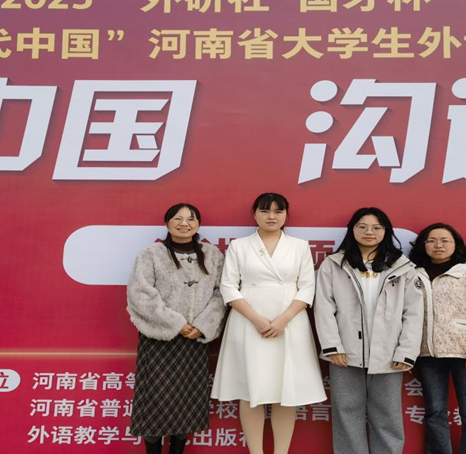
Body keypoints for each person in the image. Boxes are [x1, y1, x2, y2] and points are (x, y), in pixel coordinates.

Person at [211, 192, 326, 454]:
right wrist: (256, 319)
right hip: (247, 322)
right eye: (265, 211)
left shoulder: (299, 246)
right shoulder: (239, 246)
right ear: (255, 215)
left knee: (286, 391)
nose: (271, 216)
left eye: (278, 211)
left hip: (290, 323)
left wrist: (283, 319)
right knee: (250, 390)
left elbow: (307, 287)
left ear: (286, 215)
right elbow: (228, 286)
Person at [314, 207, 424, 454]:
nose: (369, 232)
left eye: (376, 227)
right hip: (344, 352)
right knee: (346, 413)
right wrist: (332, 346)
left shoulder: (402, 266)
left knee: (388, 415)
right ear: (352, 230)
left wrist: (406, 352)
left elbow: (414, 314)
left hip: (389, 353)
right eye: (362, 227)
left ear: (386, 231)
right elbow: (324, 307)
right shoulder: (334, 264)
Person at [127, 203, 226, 454]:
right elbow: (141, 295)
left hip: (195, 340)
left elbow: (221, 294)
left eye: (191, 219)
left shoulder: (213, 255)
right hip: (159, 339)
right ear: (166, 223)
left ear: (198, 224)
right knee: (153, 405)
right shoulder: (151, 254)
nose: (184, 224)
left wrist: (202, 325)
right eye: (178, 218)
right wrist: (176, 324)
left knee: (185, 404)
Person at [408, 223, 466, 454]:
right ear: (423, 245)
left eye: (445, 240)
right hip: (427, 353)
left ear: (455, 244)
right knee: (434, 411)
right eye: (432, 240)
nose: (438, 245)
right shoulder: (413, 273)